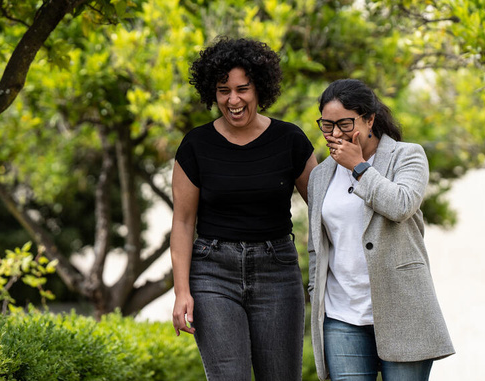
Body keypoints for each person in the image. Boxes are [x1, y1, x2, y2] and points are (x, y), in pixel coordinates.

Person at [170, 37, 317, 381]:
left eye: (242, 89)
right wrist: (182, 292)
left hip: (277, 272)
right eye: (223, 90)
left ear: (259, 89)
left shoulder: (290, 140)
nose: (233, 100)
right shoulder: (196, 145)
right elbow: (182, 222)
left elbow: (326, 207)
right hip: (213, 274)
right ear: (212, 92)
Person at [307, 79, 454, 381]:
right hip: (341, 316)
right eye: (326, 125)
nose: (335, 134)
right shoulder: (320, 175)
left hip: (402, 310)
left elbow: (401, 205)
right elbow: (317, 246)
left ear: (369, 119)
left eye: (345, 124)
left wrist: (359, 167)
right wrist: (314, 291)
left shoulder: (407, 156)